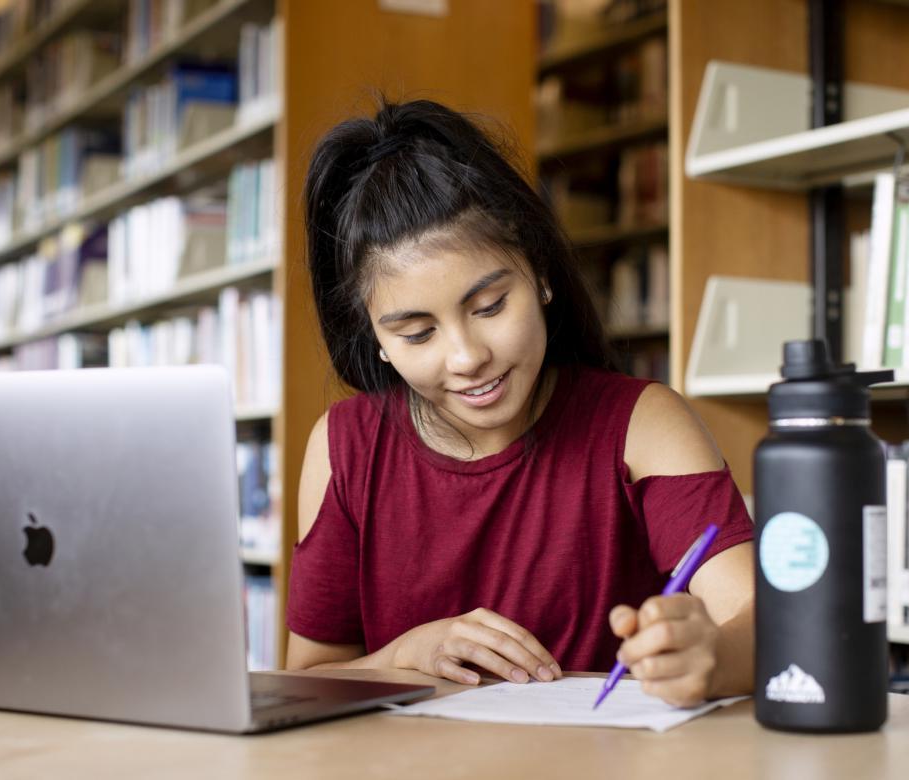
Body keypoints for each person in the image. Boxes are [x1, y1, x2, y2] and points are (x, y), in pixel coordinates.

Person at [284, 98, 754, 707]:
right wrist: (406, 656)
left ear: (541, 276)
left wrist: (714, 658)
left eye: (489, 307)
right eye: (417, 334)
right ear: (376, 340)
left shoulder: (642, 424)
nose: (466, 356)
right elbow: (306, 678)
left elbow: (759, 618)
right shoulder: (343, 447)